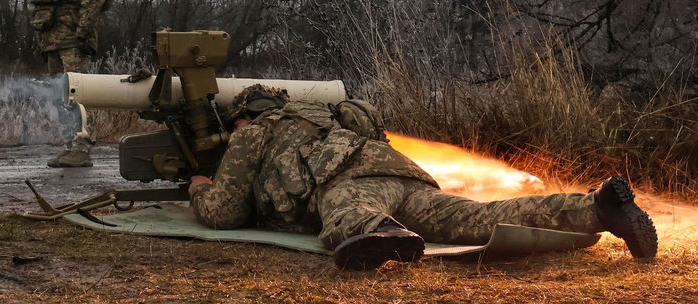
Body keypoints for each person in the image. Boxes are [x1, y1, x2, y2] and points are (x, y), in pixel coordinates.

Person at [189, 85, 658, 270]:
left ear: (243, 117)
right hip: (404, 174)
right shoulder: (325, 116)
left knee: (347, 214)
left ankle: (384, 234)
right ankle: (597, 208)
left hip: (350, 183)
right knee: (479, 217)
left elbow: (225, 212)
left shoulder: (255, 132)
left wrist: (199, 190)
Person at [29, 0, 109, 168]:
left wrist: (82, 31)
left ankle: (81, 148)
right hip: (53, 43)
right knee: (60, 98)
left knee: (78, 97)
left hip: (73, 42)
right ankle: (69, 146)